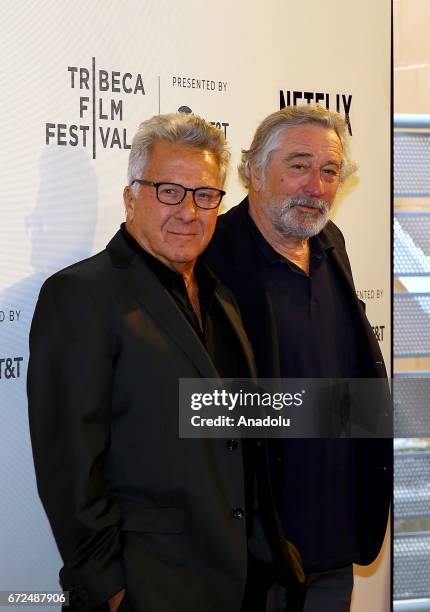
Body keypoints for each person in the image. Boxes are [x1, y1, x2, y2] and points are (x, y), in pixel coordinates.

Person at [27, 112, 304, 612]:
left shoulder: (223, 299)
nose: (189, 211)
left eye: (205, 195)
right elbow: (69, 466)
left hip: (241, 580)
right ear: (132, 195)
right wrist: (111, 588)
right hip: (151, 586)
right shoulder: (81, 295)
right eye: (169, 191)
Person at [204, 104, 392, 612]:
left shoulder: (331, 244)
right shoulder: (209, 257)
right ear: (253, 173)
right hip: (254, 553)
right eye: (298, 165)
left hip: (335, 543)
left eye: (329, 171)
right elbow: (197, 407)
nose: (316, 187)